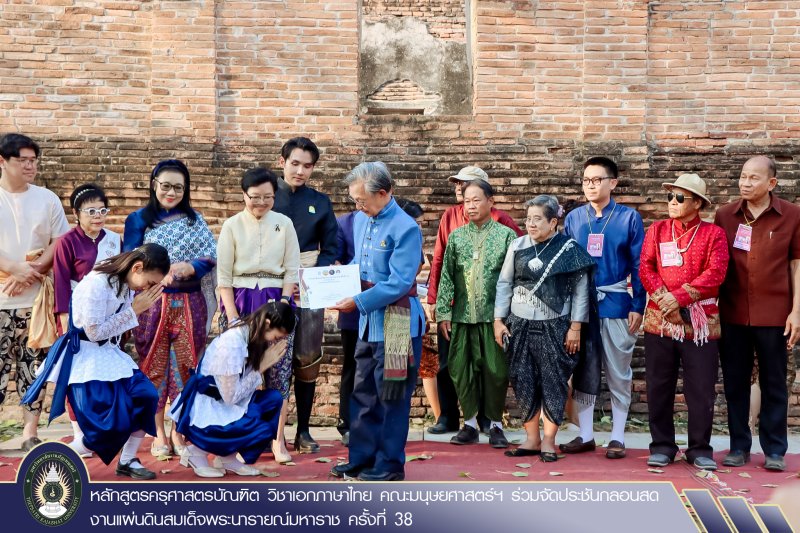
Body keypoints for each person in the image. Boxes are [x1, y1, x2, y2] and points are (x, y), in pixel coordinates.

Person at [22, 244, 169, 479]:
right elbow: (93, 333)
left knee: (147, 396)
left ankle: (128, 459)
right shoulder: (96, 284)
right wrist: (134, 311)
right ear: (137, 267)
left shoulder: (126, 283)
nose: (147, 289)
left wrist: (133, 310)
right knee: (106, 428)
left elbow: (115, 328)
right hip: (87, 359)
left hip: (111, 356)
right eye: (149, 283)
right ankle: (54, 460)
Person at [329, 162, 424, 481]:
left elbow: (399, 283)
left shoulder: (406, 227)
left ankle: (389, 463)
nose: (357, 206)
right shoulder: (360, 220)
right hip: (369, 321)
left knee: (392, 394)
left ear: (384, 193)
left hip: (397, 320)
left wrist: (355, 301)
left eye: (361, 200)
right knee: (363, 391)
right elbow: (359, 264)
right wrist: (334, 281)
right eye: (355, 200)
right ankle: (361, 457)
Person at [123, 159, 217, 458]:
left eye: (178, 187)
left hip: (191, 303)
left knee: (186, 369)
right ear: (154, 184)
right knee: (153, 368)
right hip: (153, 304)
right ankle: (158, 433)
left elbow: (211, 257)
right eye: (166, 186)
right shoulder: (139, 220)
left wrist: (189, 266)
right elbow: (131, 261)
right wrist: (157, 271)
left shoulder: (195, 220)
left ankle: (179, 431)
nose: (171, 192)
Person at [714, 155, 800, 472]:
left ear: (771, 183)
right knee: (735, 382)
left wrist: (797, 311)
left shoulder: (791, 216)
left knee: (774, 382)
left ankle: (775, 450)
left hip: (776, 313)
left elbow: (797, 265)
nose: (745, 183)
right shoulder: (725, 216)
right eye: (742, 177)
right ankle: (739, 446)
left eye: (753, 178)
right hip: (733, 312)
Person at [494, 195, 595, 462]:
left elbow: (581, 292)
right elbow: (504, 284)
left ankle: (549, 439)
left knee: (553, 380)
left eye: (537, 219)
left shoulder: (569, 249)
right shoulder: (517, 246)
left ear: (553, 222)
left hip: (556, 324)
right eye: (528, 219)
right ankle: (532, 438)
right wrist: (498, 320)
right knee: (522, 378)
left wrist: (575, 327)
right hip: (519, 323)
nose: (530, 224)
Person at [639, 173, 729, 471]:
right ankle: (662, 446)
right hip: (660, 322)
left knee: (701, 389)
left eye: (680, 198)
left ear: (698, 203)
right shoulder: (658, 229)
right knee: (659, 385)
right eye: (670, 197)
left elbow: (715, 275)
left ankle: (699, 448)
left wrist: (679, 298)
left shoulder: (713, 234)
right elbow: (645, 267)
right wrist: (667, 301)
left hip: (700, 323)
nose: (672, 202)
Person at [427, 166, 523, 435]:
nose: (468, 204)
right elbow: (444, 271)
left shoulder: (506, 233)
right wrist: (442, 310)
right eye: (465, 197)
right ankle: (466, 422)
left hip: (494, 316)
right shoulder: (455, 232)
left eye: (474, 198)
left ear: (490, 201)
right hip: (461, 314)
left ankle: (492, 423)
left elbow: (518, 275)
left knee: (495, 371)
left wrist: (509, 315)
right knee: (459, 368)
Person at [560, 157, 646, 459]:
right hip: (582, 309)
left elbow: (639, 264)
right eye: (586, 180)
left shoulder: (628, 218)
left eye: (597, 180)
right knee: (583, 369)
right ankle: (585, 434)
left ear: (613, 183)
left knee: (618, 371)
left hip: (616, 303)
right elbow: (566, 265)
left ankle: (618, 435)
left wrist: (638, 303)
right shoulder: (574, 219)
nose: (591, 185)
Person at [217, 167, 300, 463]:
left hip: (276, 302)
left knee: (278, 372)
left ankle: (278, 440)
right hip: (240, 301)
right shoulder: (231, 226)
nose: (260, 203)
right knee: (240, 371)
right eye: (254, 197)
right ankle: (242, 437)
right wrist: (232, 315)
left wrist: (286, 303)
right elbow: (223, 277)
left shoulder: (285, 224)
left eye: (267, 197)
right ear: (244, 195)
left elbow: (292, 269)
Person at [0, 133, 70, 452]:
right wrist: (14, 268)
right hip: (1, 297)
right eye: (23, 160)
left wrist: (34, 269)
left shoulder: (47, 198)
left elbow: (60, 241)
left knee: (34, 366)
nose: (31, 166)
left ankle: (30, 431)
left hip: (37, 299)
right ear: (3, 161)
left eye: (34, 160)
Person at [170, 302, 294, 477]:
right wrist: (262, 366)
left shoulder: (249, 336)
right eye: (276, 336)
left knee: (273, 400)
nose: (275, 341)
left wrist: (261, 366)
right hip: (208, 411)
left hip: (225, 403)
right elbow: (230, 397)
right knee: (261, 413)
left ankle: (228, 457)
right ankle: (195, 453)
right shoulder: (233, 343)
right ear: (267, 323)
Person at [273, 137, 338, 454]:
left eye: (307, 166)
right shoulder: (265, 194)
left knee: (306, 356)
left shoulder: (321, 202)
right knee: (270, 357)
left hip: (308, 286)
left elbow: (332, 247)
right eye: (295, 163)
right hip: (270, 285)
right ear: (282, 161)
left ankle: (303, 430)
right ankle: (271, 432)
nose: (300, 170)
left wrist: (311, 276)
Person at [52, 183, 122, 454]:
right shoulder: (66, 243)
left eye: (102, 210)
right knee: (77, 376)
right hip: (77, 319)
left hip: (109, 317)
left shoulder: (115, 240)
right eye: (91, 211)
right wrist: (64, 323)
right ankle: (79, 433)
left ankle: (103, 430)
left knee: (105, 374)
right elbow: (60, 285)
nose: (98, 216)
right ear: (76, 213)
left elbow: (122, 280)